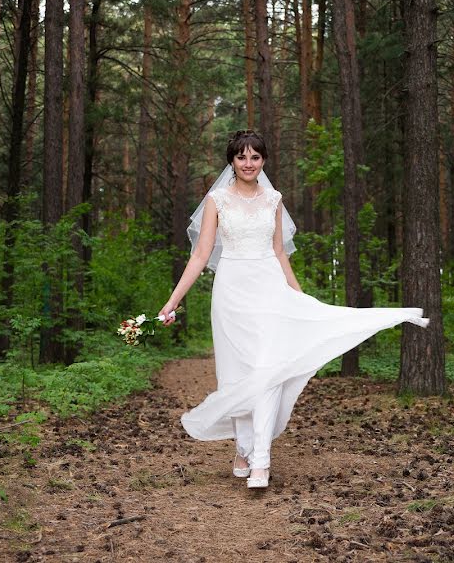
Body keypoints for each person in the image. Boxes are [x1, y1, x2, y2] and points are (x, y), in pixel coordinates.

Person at [158, 129, 428, 489]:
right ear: (232, 161)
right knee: (237, 374)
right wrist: (172, 301)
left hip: (269, 289)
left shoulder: (274, 200)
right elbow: (201, 254)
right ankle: (243, 448)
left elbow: (280, 253)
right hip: (231, 294)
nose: (248, 164)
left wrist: (300, 299)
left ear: (263, 161)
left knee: (269, 368)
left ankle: (262, 462)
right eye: (242, 157)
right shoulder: (217, 201)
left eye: (255, 157)